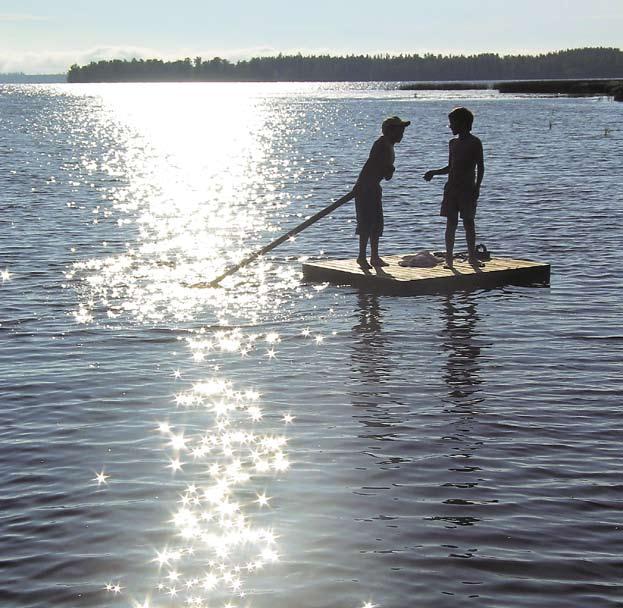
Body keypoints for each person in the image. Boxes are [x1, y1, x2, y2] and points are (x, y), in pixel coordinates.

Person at [423, 107, 484, 268]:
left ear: (463, 123)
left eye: (452, 123)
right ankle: (449, 259)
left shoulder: (475, 142)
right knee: (451, 223)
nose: (450, 126)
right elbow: (450, 167)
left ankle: (472, 257)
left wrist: (477, 187)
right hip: (452, 189)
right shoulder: (453, 143)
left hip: (467, 189)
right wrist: (434, 172)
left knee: (468, 223)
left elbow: (481, 167)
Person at [354, 116, 410, 268]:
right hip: (366, 187)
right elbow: (371, 165)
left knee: (377, 224)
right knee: (366, 223)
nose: (402, 134)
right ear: (390, 131)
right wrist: (361, 186)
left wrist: (389, 170)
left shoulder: (389, 146)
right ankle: (361, 257)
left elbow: (386, 176)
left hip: (374, 187)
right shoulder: (381, 144)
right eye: (400, 130)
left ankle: (374, 257)